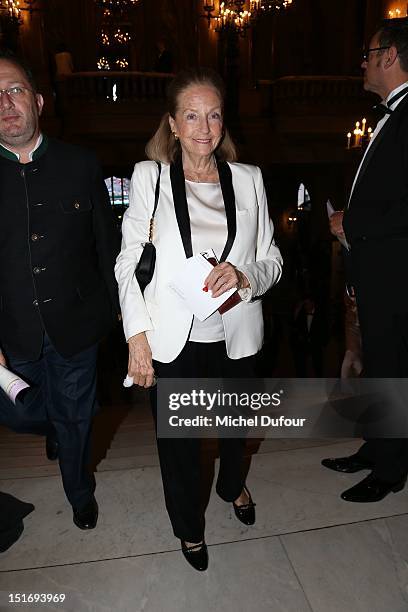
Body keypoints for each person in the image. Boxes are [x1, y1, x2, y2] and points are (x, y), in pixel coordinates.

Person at [115, 68, 282, 571]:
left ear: (222, 121)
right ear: (173, 123)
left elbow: (273, 259)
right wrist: (136, 336)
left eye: (213, 115)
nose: (203, 127)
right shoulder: (150, 177)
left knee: (235, 431)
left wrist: (245, 273)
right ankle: (189, 527)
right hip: (176, 339)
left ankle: (233, 485)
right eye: (191, 115)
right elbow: (128, 260)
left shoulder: (249, 179)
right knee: (182, 446)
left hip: (236, 332)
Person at [0, 51, 120, 529]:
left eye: (15, 90)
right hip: (11, 334)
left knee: (76, 420)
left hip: (76, 327)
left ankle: (79, 491)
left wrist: (112, 313)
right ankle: (58, 423)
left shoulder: (81, 164)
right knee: (24, 415)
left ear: (38, 101)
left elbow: (107, 248)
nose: (5, 103)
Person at [322, 18, 408, 502]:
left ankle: (391, 469)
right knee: (379, 366)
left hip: (398, 277)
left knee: (393, 370)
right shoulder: (390, 116)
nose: (363, 62)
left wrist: (351, 225)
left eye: (367, 53)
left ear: (389, 55)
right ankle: (376, 448)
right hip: (378, 274)